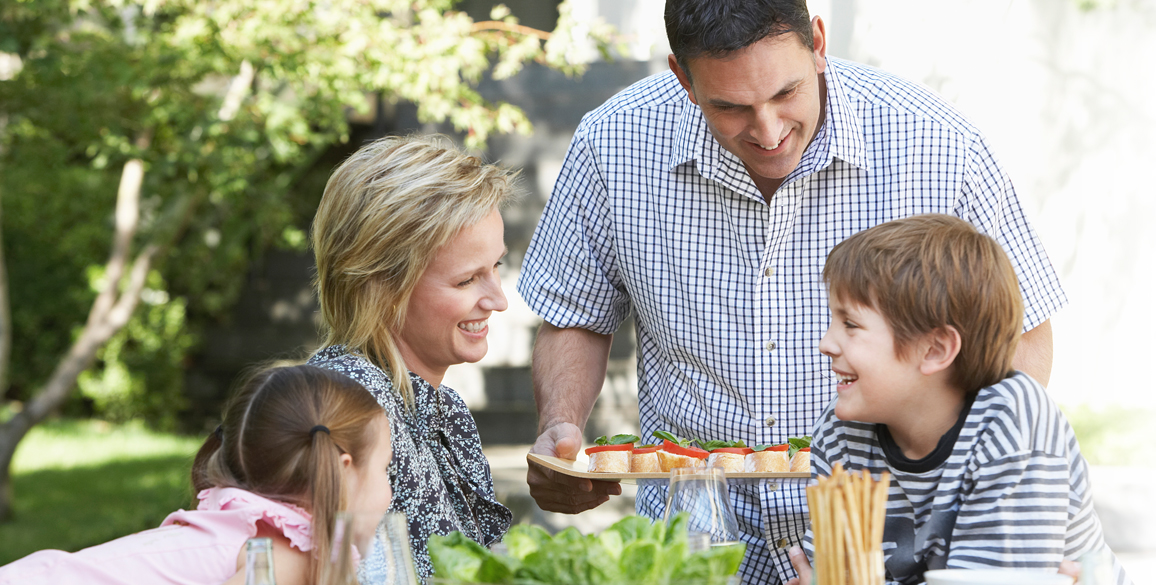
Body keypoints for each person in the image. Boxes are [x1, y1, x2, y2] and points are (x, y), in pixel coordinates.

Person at [516, 0, 1067, 582]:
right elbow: (576, 314)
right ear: (682, 76)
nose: (769, 131)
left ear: (819, 43)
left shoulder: (937, 144)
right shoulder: (613, 144)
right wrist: (561, 425)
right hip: (699, 541)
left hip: (885, 542)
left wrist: (972, 492)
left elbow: (1022, 334)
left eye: (786, 94)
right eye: (730, 108)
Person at [782, 214, 1129, 585]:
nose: (825, 344)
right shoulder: (840, 432)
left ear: (934, 349)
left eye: (850, 324)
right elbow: (832, 575)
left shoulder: (1011, 416)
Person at [307, 133, 515, 579]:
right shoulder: (340, 408)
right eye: (466, 281)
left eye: (496, 267)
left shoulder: (445, 410)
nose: (498, 300)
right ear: (381, 287)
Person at [0, 364, 393, 585]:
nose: (389, 486)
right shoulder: (282, 554)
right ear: (344, 470)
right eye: (384, 469)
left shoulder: (244, 518)